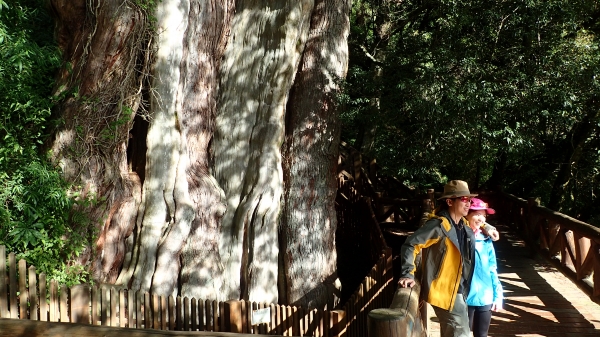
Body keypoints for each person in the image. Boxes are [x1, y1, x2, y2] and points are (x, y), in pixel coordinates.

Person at [398, 180, 478, 337]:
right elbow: (411, 245)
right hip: (445, 290)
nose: (468, 203)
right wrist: (408, 273)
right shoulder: (439, 226)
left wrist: (486, 227)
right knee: (461, 333)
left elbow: (478, 221)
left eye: (469, 200)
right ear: (449, 201)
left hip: (459, 289)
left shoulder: (462, 224)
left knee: (457, 331)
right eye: (463, 199)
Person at [465, 198, 503, 337]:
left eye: (484, 215)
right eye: (477, 214)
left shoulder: (486, 240)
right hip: (464, 297)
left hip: (485, 296)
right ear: (466, 214)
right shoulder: (458, 235)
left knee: (482, 335)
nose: (481, 218)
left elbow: (492, 269)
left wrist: (498, 295)